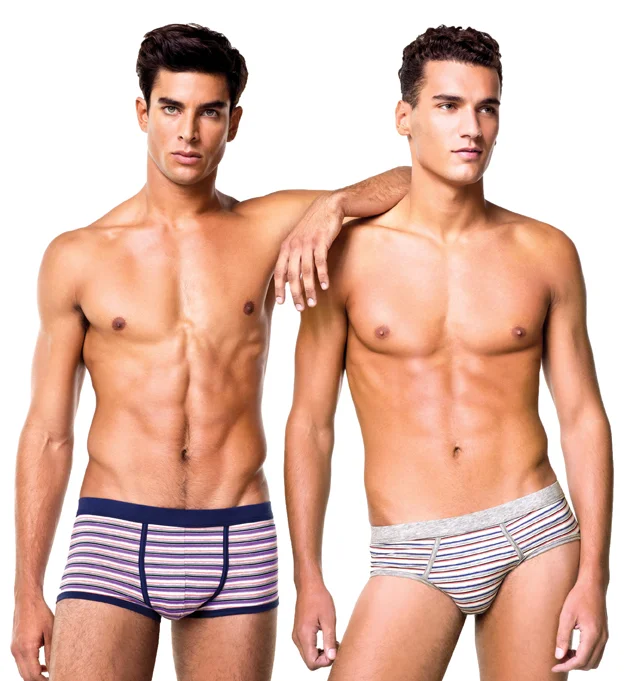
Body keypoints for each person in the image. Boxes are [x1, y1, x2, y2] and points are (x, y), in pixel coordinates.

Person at [10, 23, 411, 681]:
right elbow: (49, 433)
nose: (189, 133)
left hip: (237, 533)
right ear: (143, 113)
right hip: (113, 534)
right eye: (171, 108)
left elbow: (416, 182)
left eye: (209, 112)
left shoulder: (266, 226)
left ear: (234, 122)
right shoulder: (78, 256)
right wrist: (27, 589)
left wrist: (334, 207)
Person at [286, 25, 612, 680]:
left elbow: (582, 418)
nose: (472, 128)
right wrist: (309, 578)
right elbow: (310, 425)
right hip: (411, 548)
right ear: (404, 117)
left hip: (534, 533)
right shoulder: (345, 257)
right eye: (448, 105)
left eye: (487, 108)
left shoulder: (546, 251)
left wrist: (595, 577)